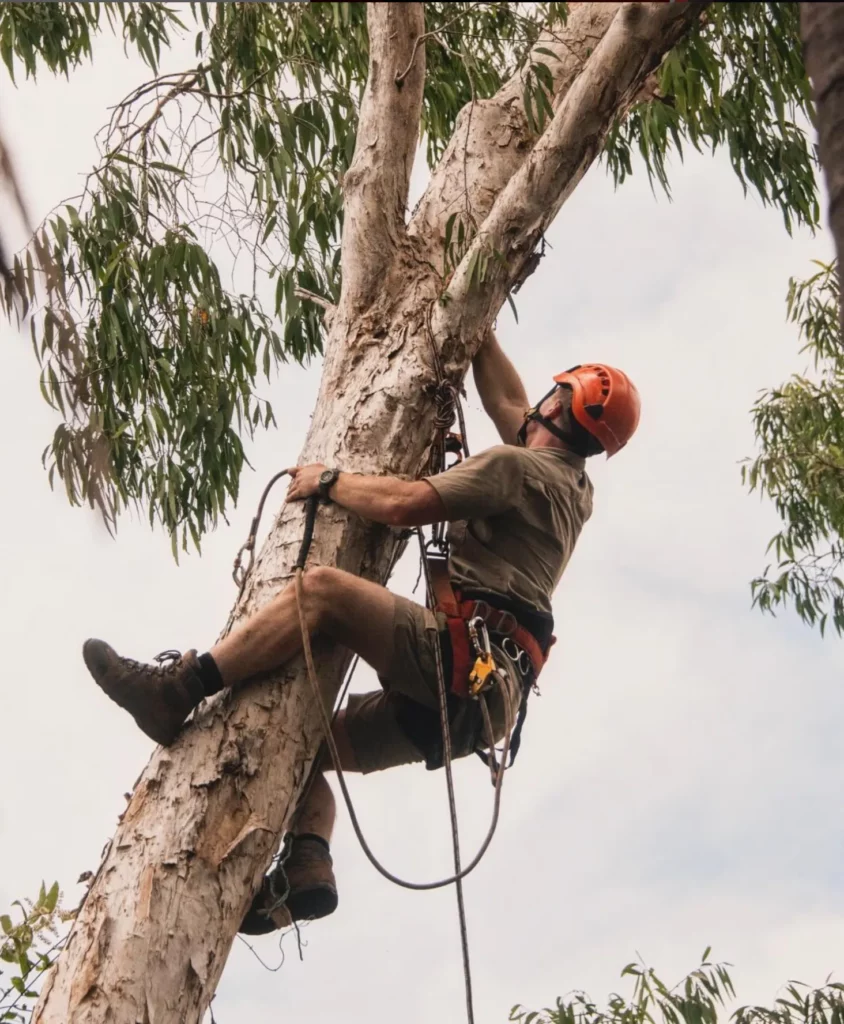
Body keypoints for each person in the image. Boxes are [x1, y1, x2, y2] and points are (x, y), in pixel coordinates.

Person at [81, 332, 641, 933]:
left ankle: (180, 690)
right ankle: (308, 870)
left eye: (552, 395)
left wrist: (328, 482)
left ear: (558, 406)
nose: (536, 402)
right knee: (300, 750)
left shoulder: (516, 469)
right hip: (483, 704)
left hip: (458, 658)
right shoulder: (571, 487)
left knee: (321, 591)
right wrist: (478, 333)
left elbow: (404, 505)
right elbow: (509, 404)